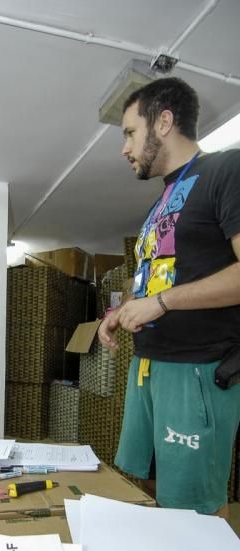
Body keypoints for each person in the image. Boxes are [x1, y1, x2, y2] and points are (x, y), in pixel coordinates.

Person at [98, 77, 240, 517]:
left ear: (163, 122)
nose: (124, 148)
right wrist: (123, 312)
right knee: (151, 491)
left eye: (128, 132)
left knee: (191, 508)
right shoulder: (160, 203)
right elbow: (165, 277)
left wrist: (161, 303)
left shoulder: (225, 169)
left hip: (196, 369)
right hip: (149, 367)